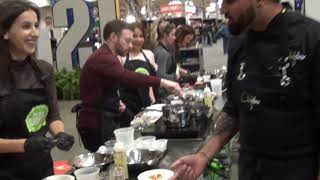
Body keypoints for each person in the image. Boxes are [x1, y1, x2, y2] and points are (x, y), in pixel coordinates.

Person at [171, 0, 320, 180]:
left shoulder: (310, 38)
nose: (223, 9)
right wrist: (203, 155)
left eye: (229, 1)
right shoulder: (239, 42)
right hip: (249, 170)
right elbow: (234, 109)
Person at [78, 20, 181, 152]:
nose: (131, 45)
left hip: (105, 118)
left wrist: (115, 100)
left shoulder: (110, 56)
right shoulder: (103, 57)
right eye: (127, 41)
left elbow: (103, 85)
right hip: (96, 123)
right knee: (108, 161)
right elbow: (127, 77)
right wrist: (164, 82)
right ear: (113, 37)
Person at [0, 1, 75, 179]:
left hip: (42, 168)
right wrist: (24, 145)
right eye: (26, 26)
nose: (34, 33)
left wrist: (60, 133)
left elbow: (52, 115)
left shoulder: (44, 70)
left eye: (36, 26)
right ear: (5, 32)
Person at [119, 23, 158, 125]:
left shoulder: (149, 55)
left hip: (146, 104)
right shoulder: (122, 57)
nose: (138, 39)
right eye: (134, 36)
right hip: (128, 107)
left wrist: (153, 102)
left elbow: (150, 81)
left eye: (141, 36)